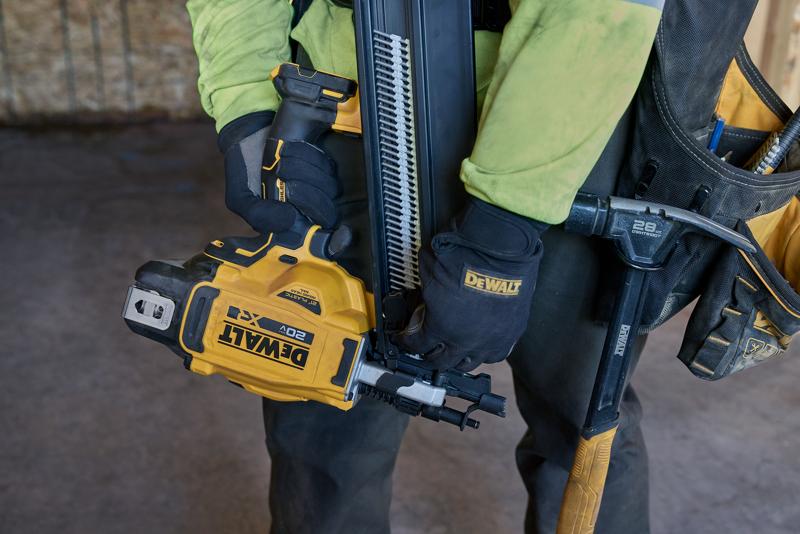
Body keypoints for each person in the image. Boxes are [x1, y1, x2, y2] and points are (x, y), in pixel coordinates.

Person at [186, 1, 664, 532]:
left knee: (584, 428)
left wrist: (503, 229)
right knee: (321, 403)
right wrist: (246, 105)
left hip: (568, 128)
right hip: (348, 107)